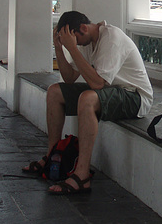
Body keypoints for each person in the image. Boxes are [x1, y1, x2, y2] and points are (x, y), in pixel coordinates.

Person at [23, 10, 153, 195]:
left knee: (87, 98)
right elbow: (68, 78)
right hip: (110, 90)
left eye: (74, 39)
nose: (73, 44)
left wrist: (73, 48)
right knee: (54, 92)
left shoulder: (111, 38)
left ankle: (81, 175)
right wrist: (59, 48)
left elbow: (98, 83)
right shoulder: (85, 41)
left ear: (83, 28)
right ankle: (53, 156)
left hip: (135, 96)